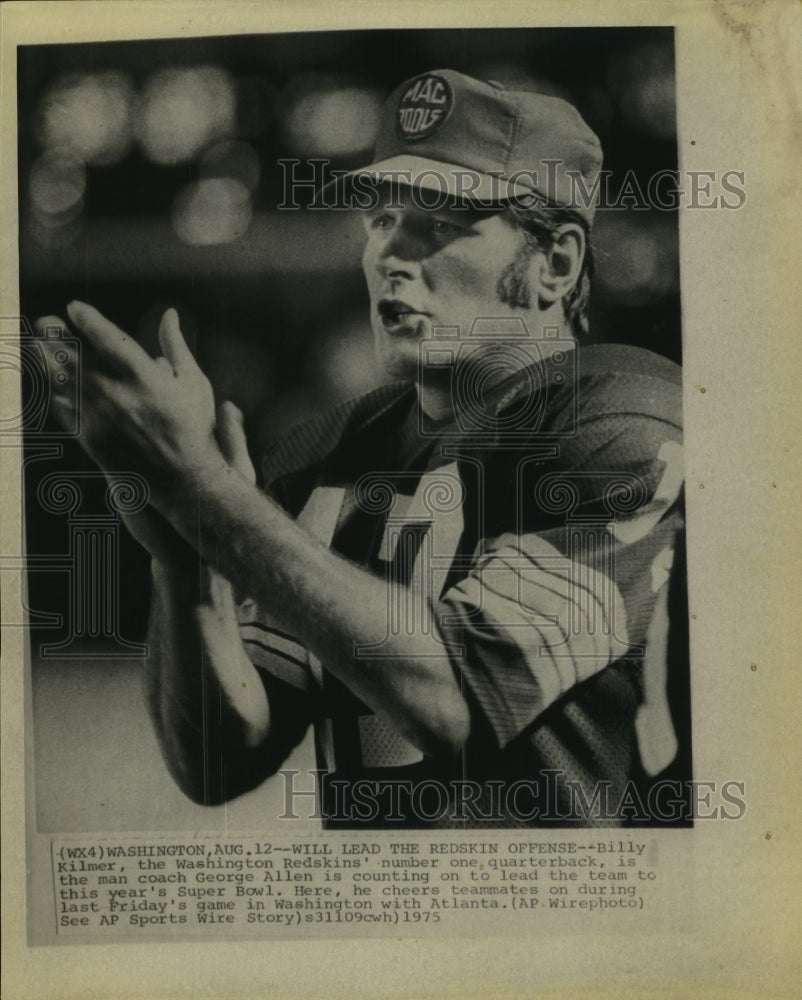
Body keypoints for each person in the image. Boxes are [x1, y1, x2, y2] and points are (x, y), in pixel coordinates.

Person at [35, 69, 688, 828]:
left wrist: (203, 492)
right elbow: (215, 761)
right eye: (380, 217)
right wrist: (186, 560)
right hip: (389, 943)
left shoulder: (628, 425)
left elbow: (452, 698)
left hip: (571, 935)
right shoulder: (335, 449)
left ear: (558, 263)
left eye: (441, 218)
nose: (391, 252)